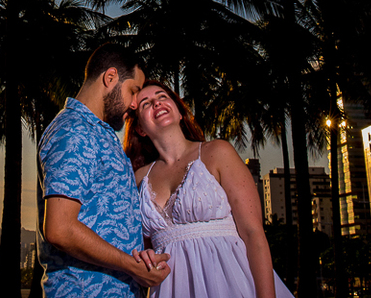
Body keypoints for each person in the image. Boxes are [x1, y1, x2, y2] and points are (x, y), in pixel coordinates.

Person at [125, 81, 294, 298]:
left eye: (162, 97)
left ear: (178, 113)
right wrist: (145, 260)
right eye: (146, 104)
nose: (157, 103)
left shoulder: (217, 152)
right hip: (172, 290)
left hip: (234, 284)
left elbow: (253, 234)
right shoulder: (138, 178)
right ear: (140, 128)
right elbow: (138, 247)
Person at [38, 44, 172, 298]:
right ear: (110, 78)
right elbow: (60, 228)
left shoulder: (100, 134)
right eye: (133, 91)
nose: (135, 104)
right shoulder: (74, 130)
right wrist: (133, 267)